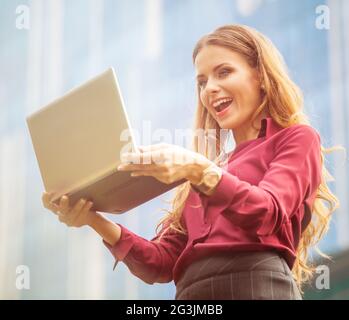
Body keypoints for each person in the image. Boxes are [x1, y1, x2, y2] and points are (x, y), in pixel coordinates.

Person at [42, 24, 340, 300]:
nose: (209, 88)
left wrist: (198, 170)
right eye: (202, 81)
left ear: (260, 75)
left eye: (223, 72)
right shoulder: (206, 172)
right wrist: (92, 219)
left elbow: (267, 212)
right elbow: (160, 264)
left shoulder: (295, 139)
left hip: (256, 287)